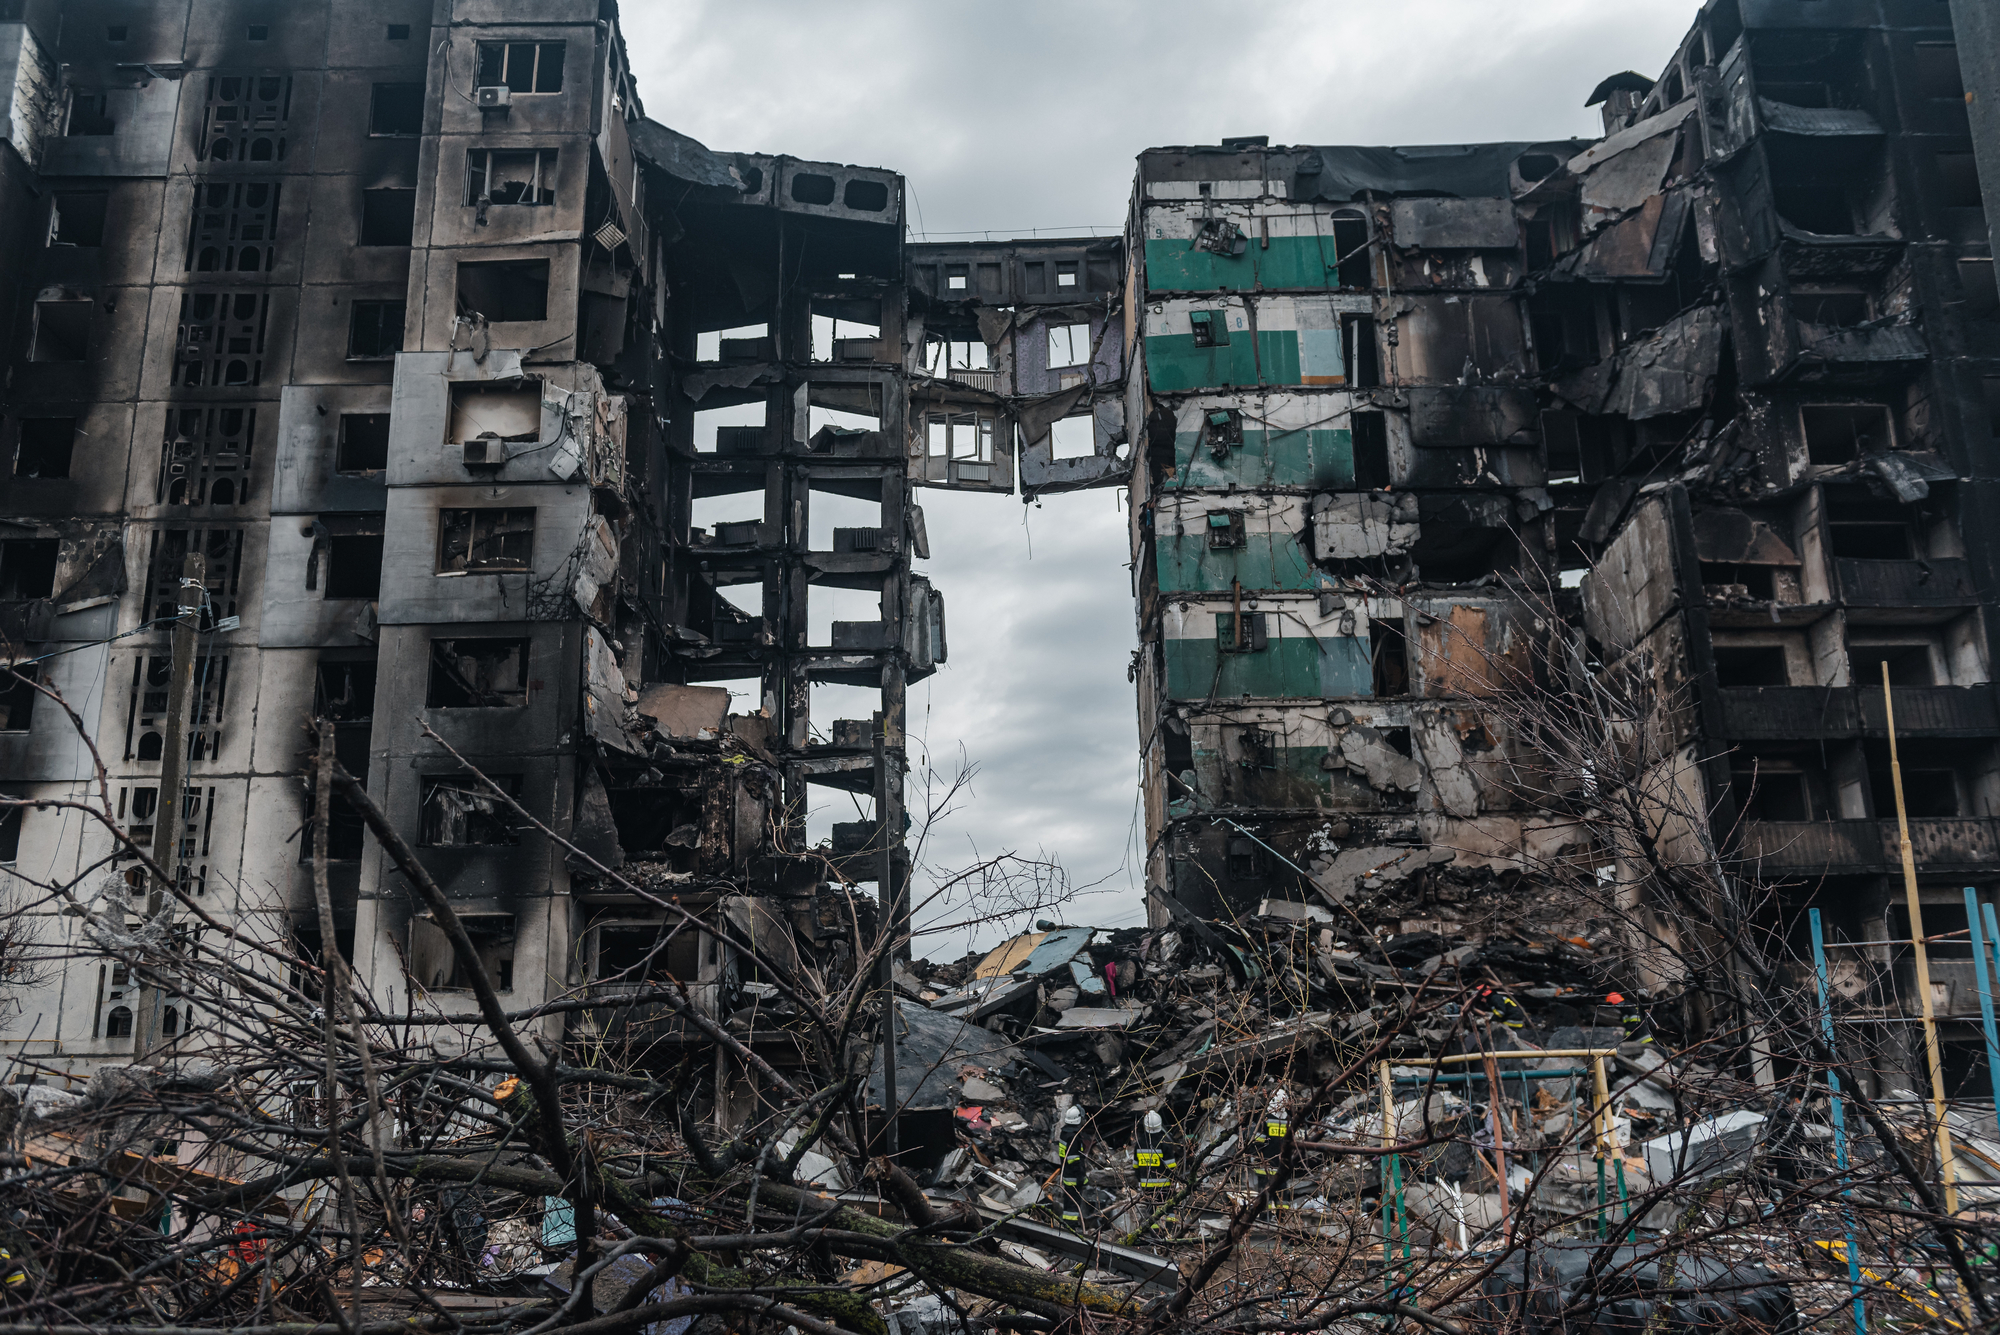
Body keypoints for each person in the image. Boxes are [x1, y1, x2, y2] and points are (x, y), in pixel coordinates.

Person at [1053, 1105, 1087, 1230]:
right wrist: (1080, 1177)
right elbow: (1074, 1160)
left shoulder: (1064, 1133)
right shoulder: (1073, 1136)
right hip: (1073, 1175)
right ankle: (1071, 1226)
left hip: (1066, 1173)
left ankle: (1067, 1223)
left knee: (1068, 1201)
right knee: (1073, 1202)